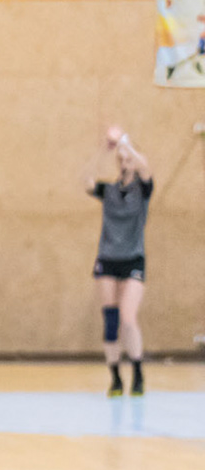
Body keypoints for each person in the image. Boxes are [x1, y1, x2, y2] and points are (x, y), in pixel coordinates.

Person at [85, 127, 155, 397]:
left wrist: (126, 144)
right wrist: (103, 152)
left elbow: (145, 166)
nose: (126, 164)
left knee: (128, 315)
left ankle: (137, 371)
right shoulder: (109, 190)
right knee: (111, 319)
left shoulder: (143, 189)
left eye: (129, 161)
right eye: (122, 161)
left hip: (133, 258)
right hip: (108, 258)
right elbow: (85, 180)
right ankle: (115, 376)